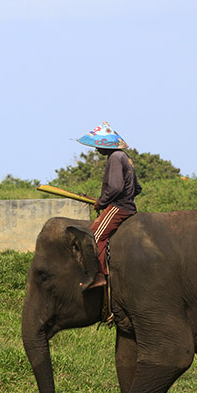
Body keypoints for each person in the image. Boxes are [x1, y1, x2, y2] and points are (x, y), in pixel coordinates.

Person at [77, 121, 142, 290]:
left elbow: (115, 187)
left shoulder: (114, 158)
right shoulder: (125, 157)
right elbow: (137, 188)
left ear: (106, 144)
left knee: (93, 236)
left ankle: (98, 275)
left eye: (98, 145)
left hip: (119, 207)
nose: (96, 149)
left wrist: (102, 202)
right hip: (127, 205)